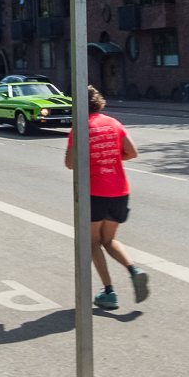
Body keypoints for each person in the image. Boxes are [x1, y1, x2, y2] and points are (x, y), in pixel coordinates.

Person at [64, 85, 149, 310]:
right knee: (108, 240)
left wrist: (92, 160)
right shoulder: (114, 123)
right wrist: (109, 157)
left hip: (95, 192)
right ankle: (134, 270)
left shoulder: (79, 128)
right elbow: (132, 152)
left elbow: (70, 163)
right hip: (119, 191)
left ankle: (109, 292)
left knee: (92, 242)